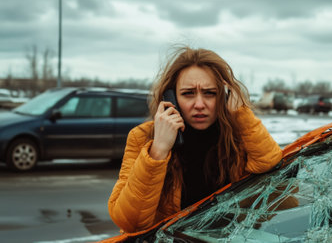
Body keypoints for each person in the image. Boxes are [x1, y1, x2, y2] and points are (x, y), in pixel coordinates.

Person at [108, 46, 282, 233]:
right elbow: (130, 221)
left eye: (210, 93)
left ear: (225, 96)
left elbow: (269, 163)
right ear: (171, 97)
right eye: (188, 93)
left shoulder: (239, 137)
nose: (199, 104)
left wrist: (242, 115)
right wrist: (158, 150)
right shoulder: (142, 137)